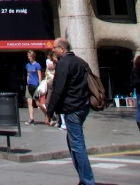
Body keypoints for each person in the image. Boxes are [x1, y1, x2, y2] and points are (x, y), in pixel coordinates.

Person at [46, 37, 95, 185]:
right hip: (83, 105)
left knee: (77, 145)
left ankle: (87, 181)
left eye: (54, 47)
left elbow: (58, 90)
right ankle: (83, 178)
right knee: (73, 143)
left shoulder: (63, 63)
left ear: (62, 49)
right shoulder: (80, 61)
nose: (52, 49)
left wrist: (49, 112)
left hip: (72, 108)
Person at [25, 50, 42, 124]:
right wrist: (27, 81)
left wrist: (40, 85)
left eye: (30, 56)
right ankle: (31, 119)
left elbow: (39, 75)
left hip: (35, 85)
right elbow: (28, 74)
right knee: (29, 101)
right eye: (28, 56)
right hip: (29, 85)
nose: (29, 58)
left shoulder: (37, 65)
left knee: (37, 103)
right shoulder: (28, 65)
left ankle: (47, 114)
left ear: (33, 57)